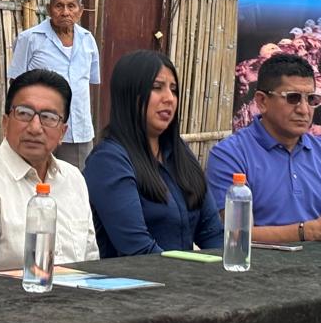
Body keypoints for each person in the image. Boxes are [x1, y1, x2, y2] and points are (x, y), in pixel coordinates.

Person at [0, 69, 98, 272]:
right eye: (24, 113)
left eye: (48, 117)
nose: (35, 127)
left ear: (62, 132)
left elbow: (91, 263)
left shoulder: (73, 179)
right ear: (5, 123)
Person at [84, 50, 222, 256]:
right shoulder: (108, 161)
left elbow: (213, 233)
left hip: (185, 274)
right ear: (129, 94)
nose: (169, 98)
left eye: (173, 90)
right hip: (138, 275)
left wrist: (226, 267)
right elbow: (137, 249)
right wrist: (191, 273)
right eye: (157, 87)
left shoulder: (179, 152)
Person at [207, 54, 321, 243]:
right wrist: (308, 232)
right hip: (257, 262)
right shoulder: (230, 155)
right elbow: (235, 235)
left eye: (311, 99)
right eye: (293, 98)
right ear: (262, 101)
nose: (304, 110)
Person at [7, 0, 100, 169]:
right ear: (49, 9)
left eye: (71, 6)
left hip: (77, 132)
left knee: (75, 182)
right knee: (33, 178)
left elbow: (90, 84)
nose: (65, 12)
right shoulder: (30, 39)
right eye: (59, 6)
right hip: (38, 129)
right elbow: (16, 85)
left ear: (81, 11)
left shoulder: (88, 40)